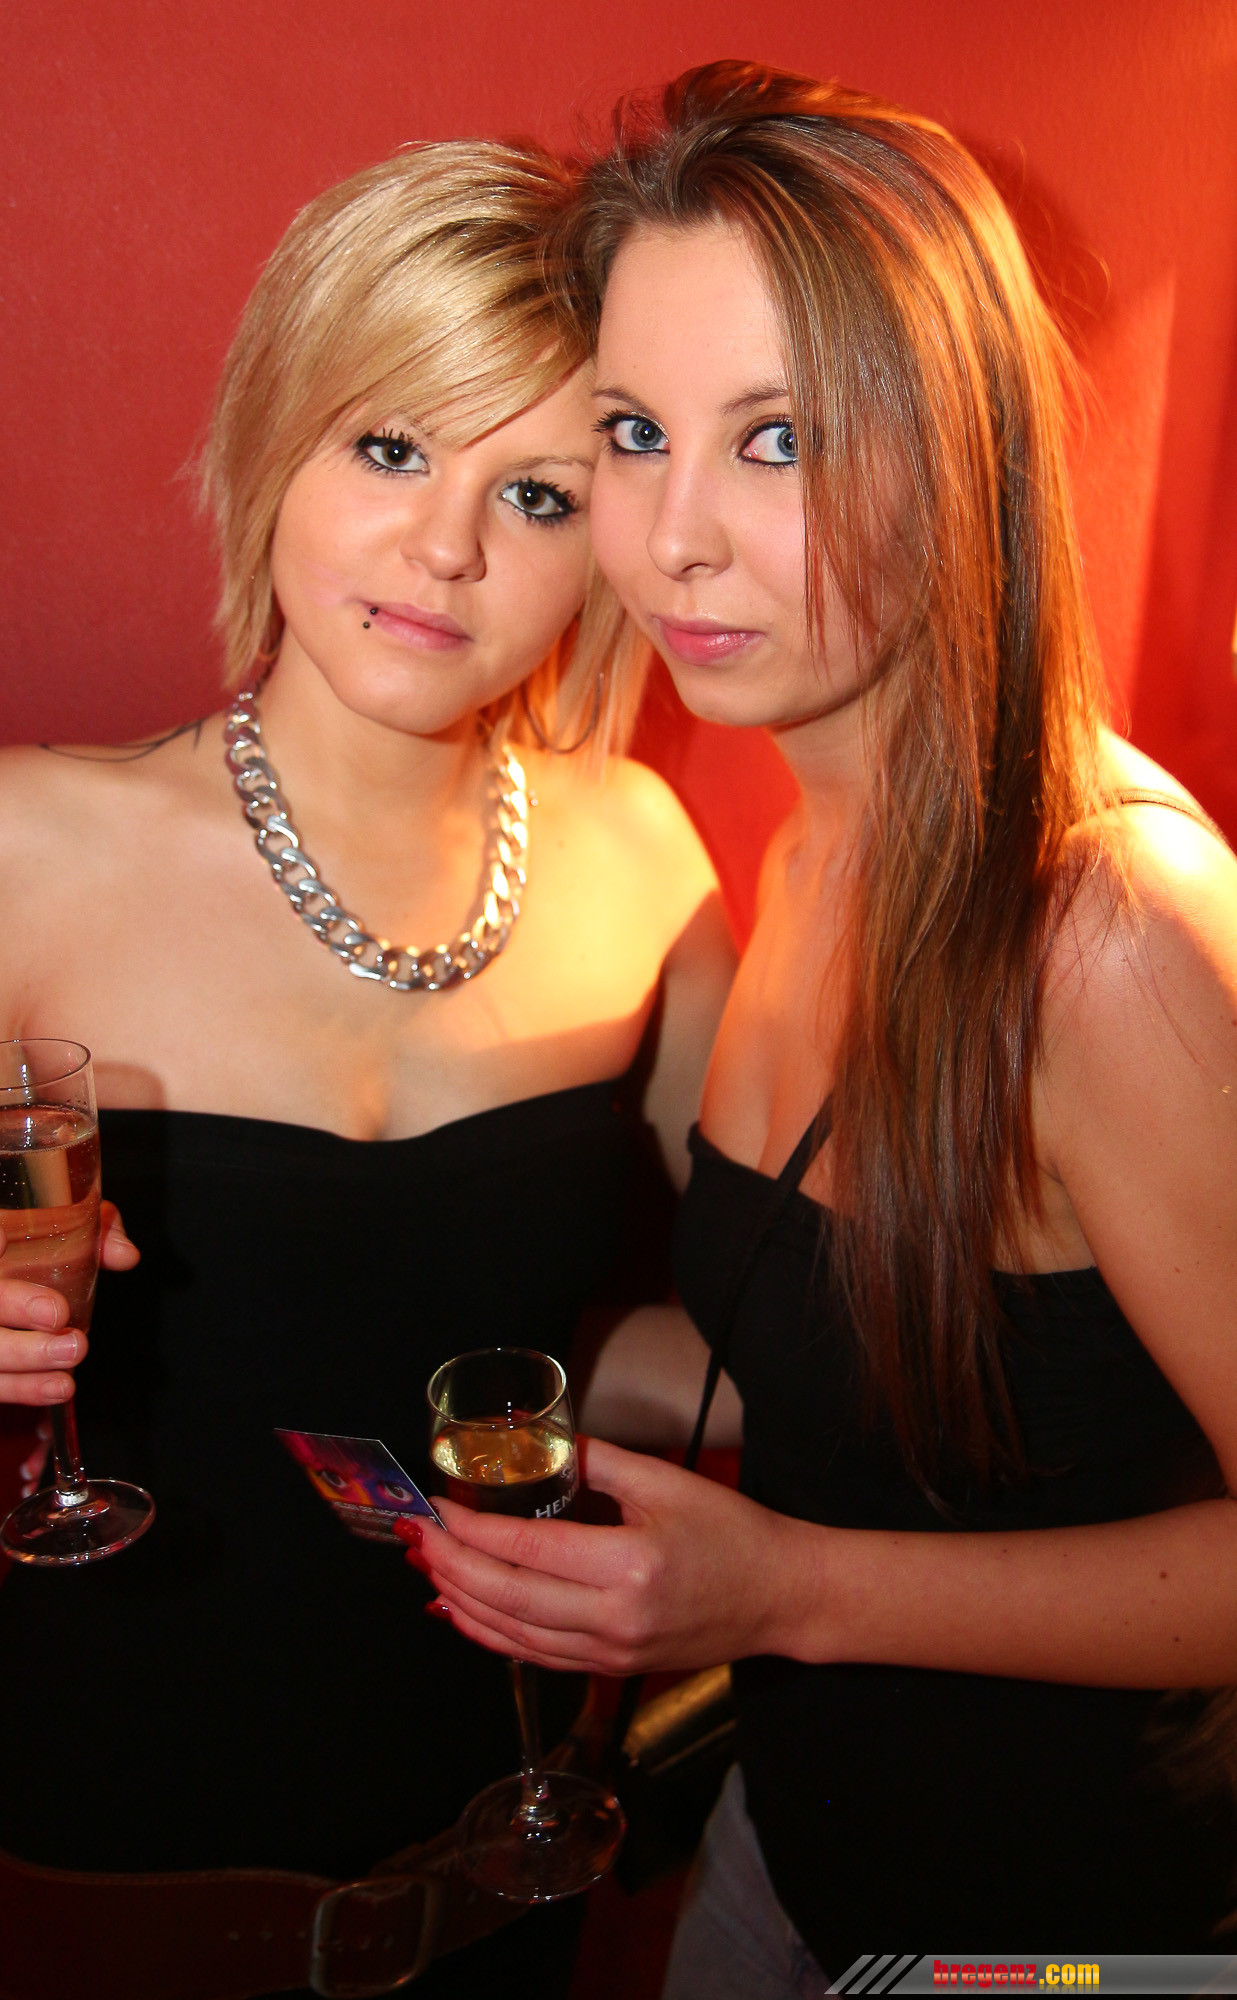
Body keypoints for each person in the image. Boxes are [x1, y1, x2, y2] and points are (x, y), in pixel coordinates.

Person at [408, 63, 1237, 1989]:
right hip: (792, 1851)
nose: (672, 538)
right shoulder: (809, 850)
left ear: (960, 457)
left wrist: (780, 1591)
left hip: (1061, 1928)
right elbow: (849, 1371)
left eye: (776, 439)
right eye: (634, 432)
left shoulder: (1105, 938)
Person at [0, 139, 734, 1998]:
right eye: (389, 447)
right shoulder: (14, 849)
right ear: (276, 434)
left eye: (535, 493)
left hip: (503, 1803)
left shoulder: (642, 858)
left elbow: (734, 1341)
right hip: (117, 1800)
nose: (446, 548)